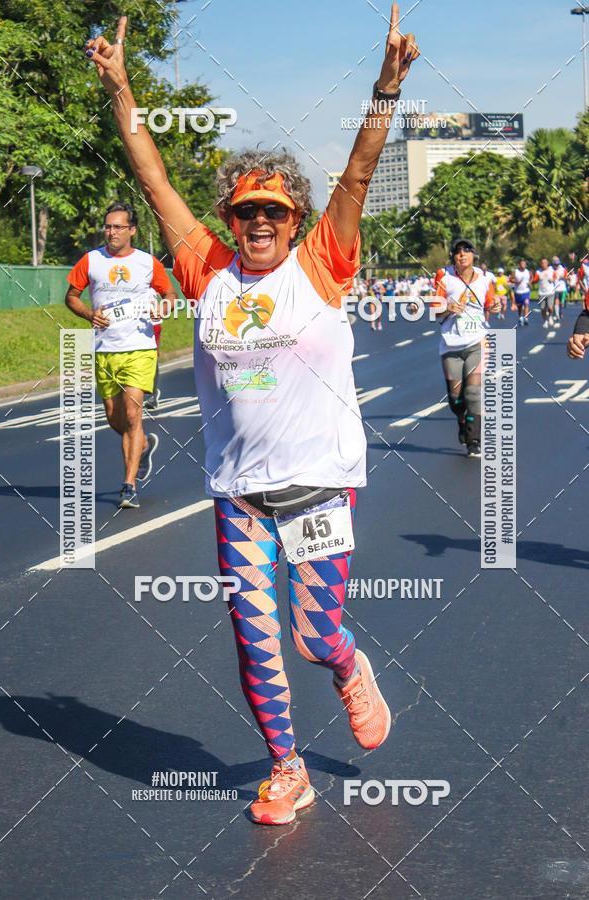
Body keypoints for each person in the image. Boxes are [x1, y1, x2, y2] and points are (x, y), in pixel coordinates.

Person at [84, 6, 419, 824]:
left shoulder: (321, 263)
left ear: (295, 219)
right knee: (254, 637)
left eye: (273, 210)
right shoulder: (207, 270)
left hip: (317, 488)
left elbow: (358, 175)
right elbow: (154, 178)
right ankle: (286, 768)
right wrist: (124, 87)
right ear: (231, 222)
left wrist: (383, 91)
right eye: (246, 212)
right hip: (238, 491)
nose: (259, 221)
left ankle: (347, 668)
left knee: (312, 637)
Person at [65, 202, 177, 508]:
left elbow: (170, 296)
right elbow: (71, 297)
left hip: (140, 347)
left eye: (117, 227)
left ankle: (129, 486)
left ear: (132, 230)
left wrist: (162, 308)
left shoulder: (147, 262)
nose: (110, 232)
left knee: (131, 413)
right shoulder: (91, 260)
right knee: (115, 418)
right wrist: (89, 314)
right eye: (107, 226)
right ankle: (141, 444)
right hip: (105, 349)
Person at [433, 238, 500, 457]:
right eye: (458, 252)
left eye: (467, 251)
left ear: (474, 255)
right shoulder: (444, 277)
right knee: (456, 400)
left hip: (476, 342)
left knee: (473, 393)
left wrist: (497, 304)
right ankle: (461, 420)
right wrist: (448, 307)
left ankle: (474, 441)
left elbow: (491, 304)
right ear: (453, 256)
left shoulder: (484, 278)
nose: (462, 255)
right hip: (451, 344)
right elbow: (435, 311)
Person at [535, 258, 555, 328]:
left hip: (550, 292)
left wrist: (553, 279)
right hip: (541, 292)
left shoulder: (551, 270)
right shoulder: (538, 272)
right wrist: (537, 279)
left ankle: (550, 317)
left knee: (550, 307)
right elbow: (535, 280)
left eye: (545, 263)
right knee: (543, 308)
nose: (543, 264)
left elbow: (555, 277)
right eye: (542, 263)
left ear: (547, 263)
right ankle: (545, 321)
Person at [512, 259, 531, 326]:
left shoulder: (528, 271)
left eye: (524, 264)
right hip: (518, 292)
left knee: (526, 304)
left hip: (526, 291)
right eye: (521, 264)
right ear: (519, 265)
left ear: (525, 265)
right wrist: (516, 282)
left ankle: (526, 318)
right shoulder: (515, 271)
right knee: (520, 306)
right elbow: (511, 279)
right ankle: (520, 317)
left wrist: (530, 282)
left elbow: (532, 278)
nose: (523, 266)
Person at [552, 257, 568, 325]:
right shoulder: (551, 270)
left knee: (561, 303)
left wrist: (564, 277)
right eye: (555, 265)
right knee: (556, 301)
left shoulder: (563, 269)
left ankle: (560, 312)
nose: (556, 266)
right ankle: (557, 315)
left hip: (562, 288)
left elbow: (568, 277)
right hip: (555, 288)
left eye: (557, 264)